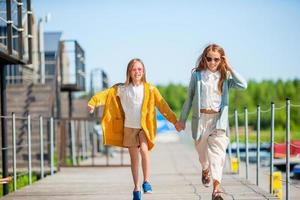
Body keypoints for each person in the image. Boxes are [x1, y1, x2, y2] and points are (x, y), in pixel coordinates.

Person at [87, 58, 181, 200]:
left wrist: (174, 121)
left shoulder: (150, 89)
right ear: (129, 72)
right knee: (134, 159)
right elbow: (105, 95)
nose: (137, 72)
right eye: (134, 69)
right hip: (129, 128)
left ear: (143, 72)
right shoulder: (122, 89)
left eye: (140, 69)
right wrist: (93, 102)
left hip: (144, 128)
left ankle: (146, 181)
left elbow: (163, 107)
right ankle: (136, 189)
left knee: (144, 150)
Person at [178, 44, 247, 200]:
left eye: (216, 59)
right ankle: (205, 169)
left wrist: (229, 67)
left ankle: (216, 190)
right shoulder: (197, 76)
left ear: (221, 60)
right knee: (203, 155)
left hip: (218, 121)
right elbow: (189, 98)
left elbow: (244, 85)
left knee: (218, 154)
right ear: (204, 58)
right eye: (209, 59)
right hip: (201, 120)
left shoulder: (226, 76)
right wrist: (182, 120)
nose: (212, 62)